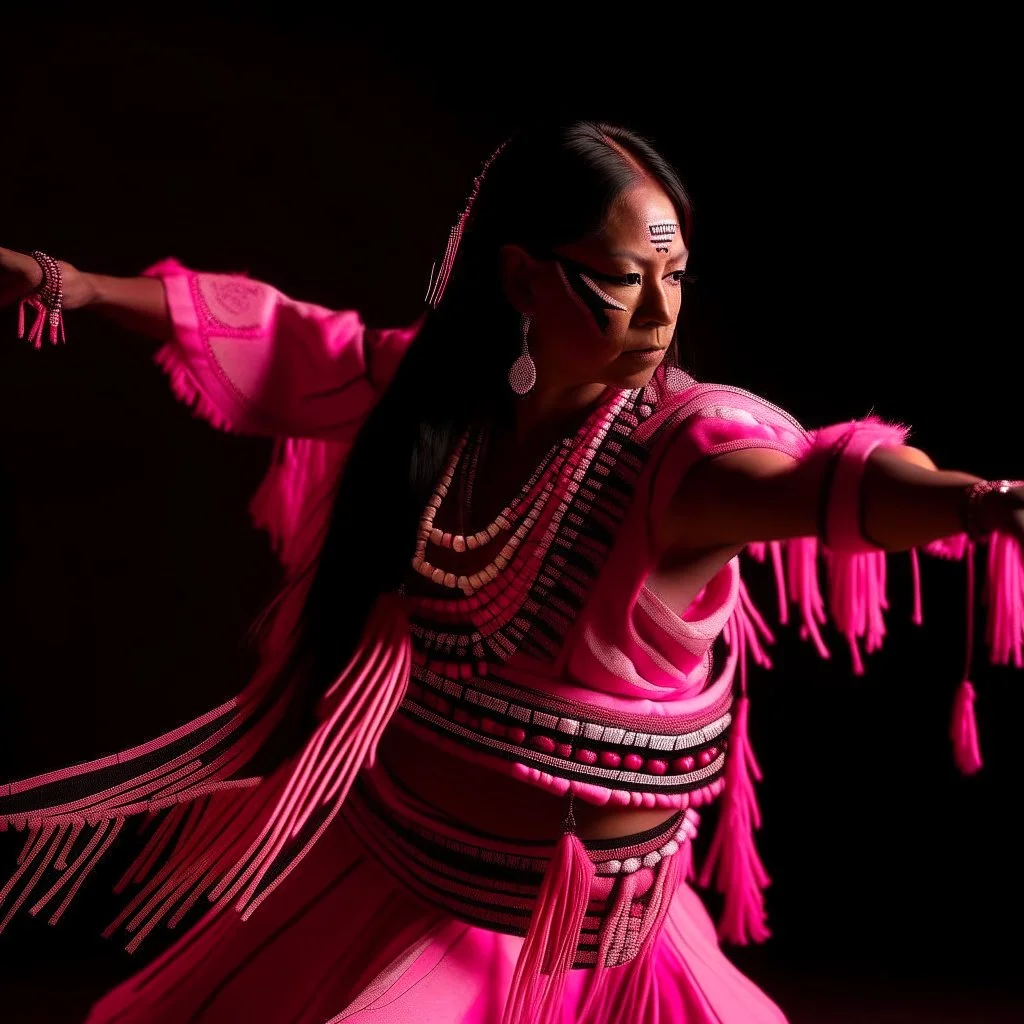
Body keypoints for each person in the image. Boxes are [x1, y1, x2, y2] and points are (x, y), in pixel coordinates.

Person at [1, 120, 1021, 1024]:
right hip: (393, 886)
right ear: (524, 276)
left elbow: (823, 475)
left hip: (602, 953)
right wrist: (77, 287)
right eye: (625, 277)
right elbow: (289, 340)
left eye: (675, 277)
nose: (659, 312)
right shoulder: (445, 397)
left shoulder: (685, 451)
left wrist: (976, 505)